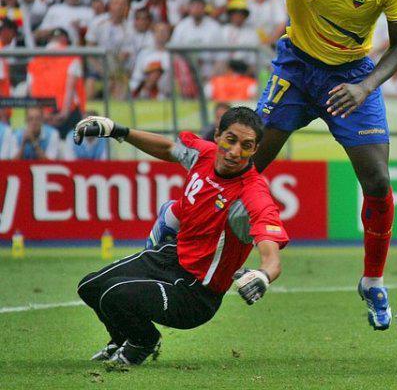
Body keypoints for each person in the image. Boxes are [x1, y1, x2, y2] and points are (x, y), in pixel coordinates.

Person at [228, 0, 397, 330]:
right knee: (247, 167)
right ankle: (209, 250)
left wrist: (365, 87)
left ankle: (373, 281)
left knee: (378, 180)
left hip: (351, 77)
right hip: (296, 69)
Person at [74, 107, 289, 366]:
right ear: (218, 135)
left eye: (246, 146)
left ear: (255, 150)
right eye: (230, 140)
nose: (235, 152)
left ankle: (143, 342)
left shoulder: (252, 195)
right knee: (89, 287)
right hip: (170, 258)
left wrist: (264, 275)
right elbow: (168, 149)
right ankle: (120, 340)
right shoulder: (204, 154)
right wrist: (118, 130)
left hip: (196, 293)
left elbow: (272, 258)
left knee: (114, 294)